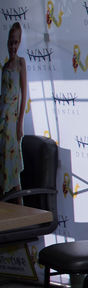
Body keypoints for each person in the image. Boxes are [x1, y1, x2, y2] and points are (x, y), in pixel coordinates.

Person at [1, 22, 28, 197]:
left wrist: (20, 124)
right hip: (2, 120)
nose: (12, 46)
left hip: (12, 122)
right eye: (10, 42)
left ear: (19, 42)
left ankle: (20, 207)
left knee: (14, 167)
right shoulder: (4, 67)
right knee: (3, 164)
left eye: (16, 42)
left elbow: (24, 94)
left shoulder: (21, 63)